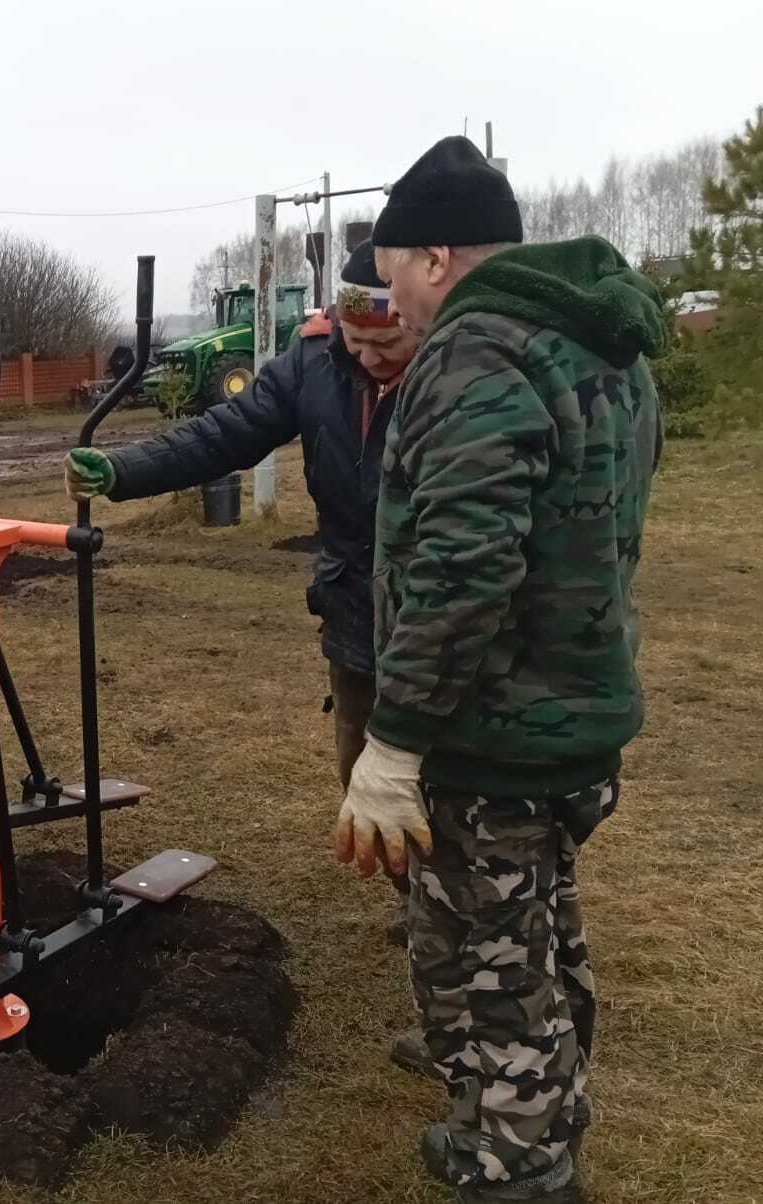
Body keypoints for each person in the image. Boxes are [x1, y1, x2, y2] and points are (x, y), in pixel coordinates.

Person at [334, 135, 664, 1203]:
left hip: (490, 736)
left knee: (483, 973)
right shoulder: (600, 345)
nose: (388, 301)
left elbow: (465, 565)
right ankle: (530, 1122)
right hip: (576, 714)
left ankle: (518, 1172)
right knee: (538, 937)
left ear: (432, 255)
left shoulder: (481, 354)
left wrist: (394, 740)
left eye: (388, 273)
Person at [61, 240, 421, 932]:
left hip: (439, 594)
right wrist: (123, 470)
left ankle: (459, 921)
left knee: (447, 772)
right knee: (360, 765)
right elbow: (223, 434)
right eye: (358, 342)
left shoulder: (452, 369)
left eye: (390, 343)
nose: (373, 359)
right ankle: (421, 899)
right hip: (353, 600)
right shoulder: (313, 363)